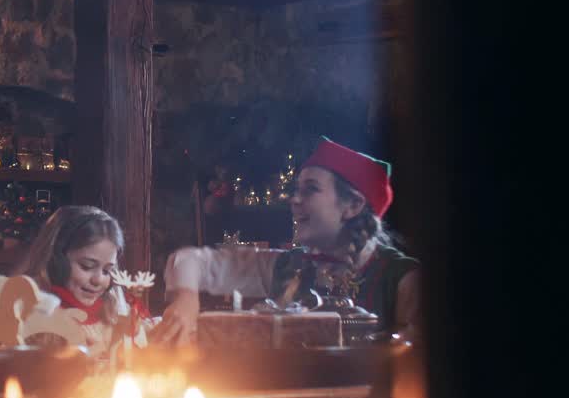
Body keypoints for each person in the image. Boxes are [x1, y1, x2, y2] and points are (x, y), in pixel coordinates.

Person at [153, 138, 421, 345]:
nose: (294, 200)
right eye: (296, 190)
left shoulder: (403, 279)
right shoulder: (286, 265)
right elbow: (188, 260)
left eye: (311, 189)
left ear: (352, 205)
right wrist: (186, 299)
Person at [20, 205, 152, 358]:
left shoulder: (117, 316)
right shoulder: (25, 317)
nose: (98, 280)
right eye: (87, 266)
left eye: (106, 271)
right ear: (56, 262)